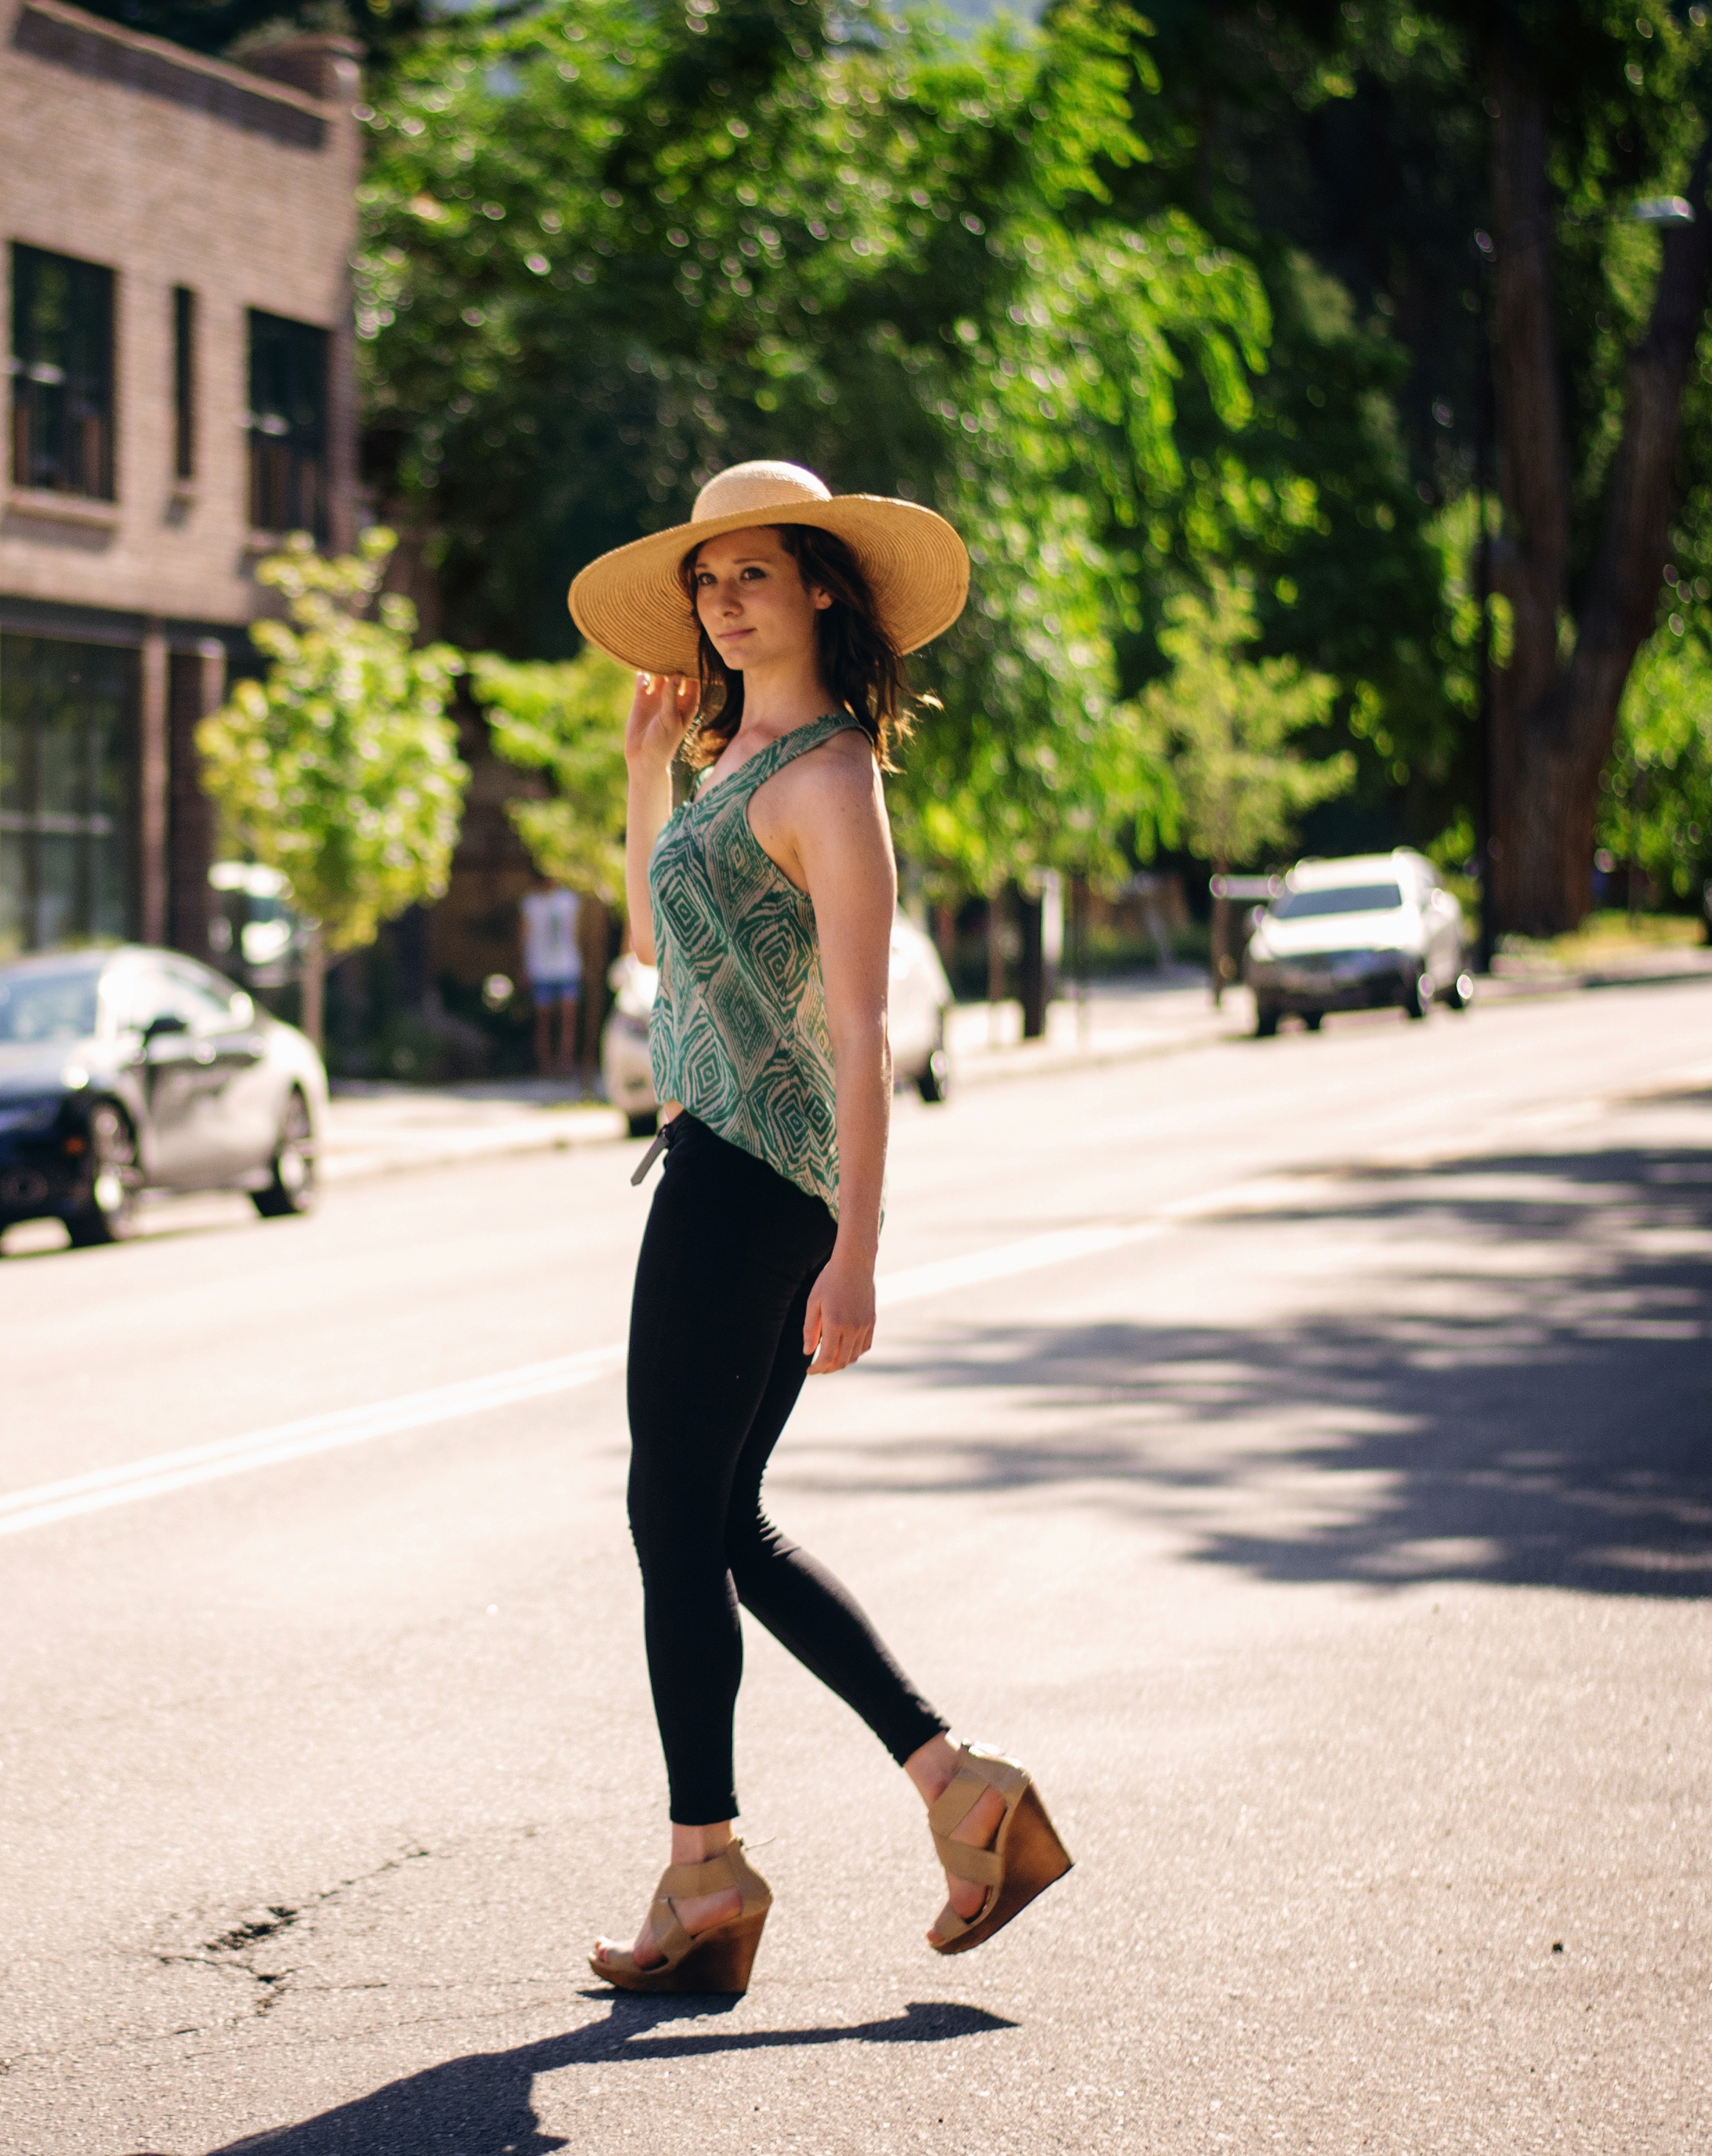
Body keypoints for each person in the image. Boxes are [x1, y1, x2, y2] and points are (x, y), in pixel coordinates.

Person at [563, 460, 1070, 1993]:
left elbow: (862, 1035)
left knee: (674, 1524)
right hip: (717, 1169)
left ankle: (704, 1870)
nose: (723, 601)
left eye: (754, 577)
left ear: (821, 590)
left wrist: (858, 1249)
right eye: (708, 581)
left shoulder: (832, 779)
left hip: (755, 1184)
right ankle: (961, 1792)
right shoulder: (734, 761)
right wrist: (648, 767)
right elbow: (660, 953)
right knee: (716, 1526)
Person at [519, 881, 587, 1077]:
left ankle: (566, 1064)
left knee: (568, 1019)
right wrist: (523, 967)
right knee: (543, 1020)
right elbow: (524, 936)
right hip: (540, 969)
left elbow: (577, 934)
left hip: (567, 968)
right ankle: (545, 1066)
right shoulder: (531, 903)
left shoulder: (570, 900)